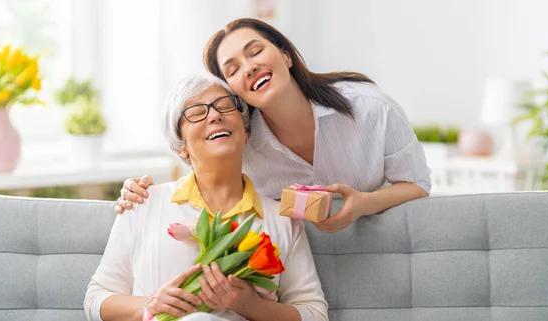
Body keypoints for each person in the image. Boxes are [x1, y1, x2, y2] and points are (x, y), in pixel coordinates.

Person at [115, 18, 431, 233]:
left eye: (255, 52)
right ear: (231, 89)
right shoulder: (241, 142)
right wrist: (142, 195)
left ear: (285, 55)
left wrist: (365, 204)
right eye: (233, 69)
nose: (250, 67)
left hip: (372, 252)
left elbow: (418, 184)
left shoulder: (371, 108)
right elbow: (201, 187)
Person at [84, 74, 327, 321]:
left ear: (246, 133)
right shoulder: (143, 203)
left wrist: (250, 305)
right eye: (197, 112)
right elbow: (95, 300)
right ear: (180, 145)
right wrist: (150, 304)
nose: (215, 116)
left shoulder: (282, 220)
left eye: (225, 106)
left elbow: (315, 315)